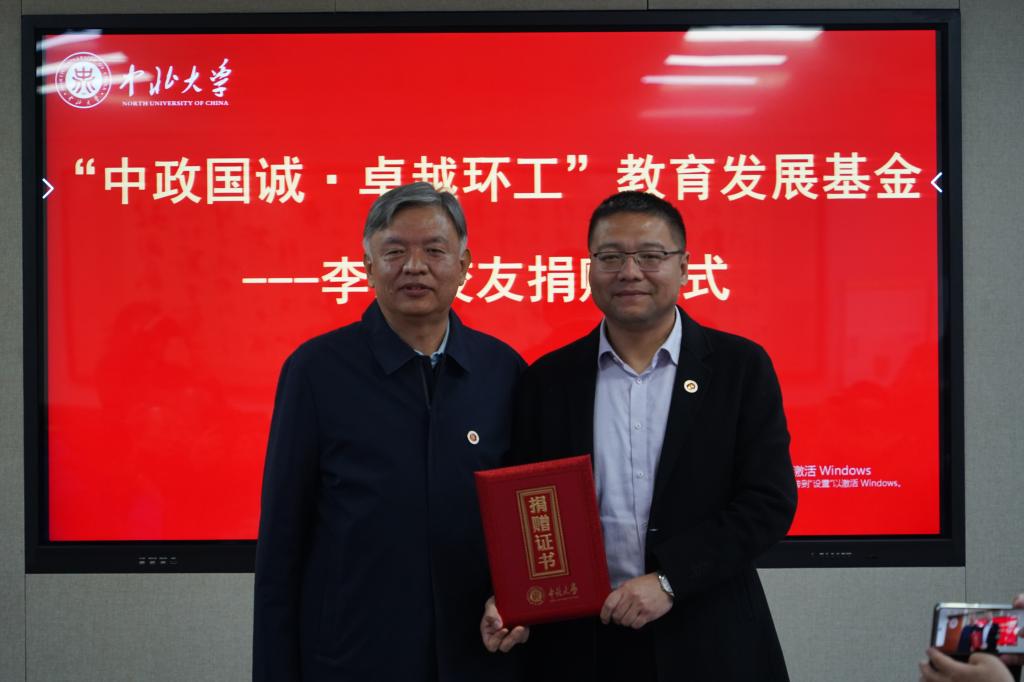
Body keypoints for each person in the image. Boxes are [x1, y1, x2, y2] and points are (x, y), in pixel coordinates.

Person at [481, 191, 797, 681]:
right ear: (590, 268)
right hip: (583, 643)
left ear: (684, 266)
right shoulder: (548, 380)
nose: (630, 272)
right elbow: (526, 508)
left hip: (708, 634)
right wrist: (514, 598)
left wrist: (670, 580)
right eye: (610, 257)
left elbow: (768, 502)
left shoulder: (740, 368)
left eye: (650, 256)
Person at [254, 182, 524, 682]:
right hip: (354, 655)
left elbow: (526, 521)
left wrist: (519, 602)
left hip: (478, 654)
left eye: (434, 251)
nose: (414, 266)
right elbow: (281, 546)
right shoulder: (316, 371)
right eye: (395, 251)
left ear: (464, 266)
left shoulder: (502, 370)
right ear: (367, 266)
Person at [921, 594, 1024, 682]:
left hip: (989, 653)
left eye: (988, 614)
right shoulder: (975, 627)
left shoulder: (994, 626)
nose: (986, 616)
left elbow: (994, 638)